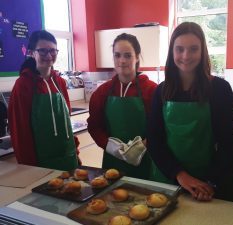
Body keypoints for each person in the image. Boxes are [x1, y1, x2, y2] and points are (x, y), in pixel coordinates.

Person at [147, 22, 233, 201]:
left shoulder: (220, 89)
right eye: (179, 49)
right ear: (172, 52)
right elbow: (155, 141)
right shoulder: (161, 91)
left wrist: (211, 182)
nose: (186, 56)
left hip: (205, 184)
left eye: (193, 49)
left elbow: (228, 143)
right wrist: (179, 174)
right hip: (167, 178)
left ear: (202, 51)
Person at [87, 33, 157, 179]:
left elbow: (159, 127)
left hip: (146, 160)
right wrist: (109, 146)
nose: (122, 61)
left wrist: (143, 145)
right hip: (112, 163)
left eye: (127, 55)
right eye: (117, 55)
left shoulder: (152, 91)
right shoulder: (101, 93)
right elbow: (94, 126)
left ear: (137, 57)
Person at [8, 30, 79, 170]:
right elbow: (20, 132)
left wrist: (75, 153)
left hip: (69, 159)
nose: (49, 56)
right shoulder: (23, 85)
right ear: (31, 53)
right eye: (42, 51)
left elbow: (67, 125)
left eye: (53, 51)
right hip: (40, 165)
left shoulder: (60, 83)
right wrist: (30, 169)